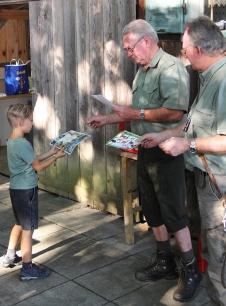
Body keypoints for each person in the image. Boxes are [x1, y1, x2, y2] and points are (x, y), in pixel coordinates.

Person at [87, 19, 201, 302]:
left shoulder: (171, 68)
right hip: (145, 148)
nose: (128, 54)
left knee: (174, 212)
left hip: (168, 150)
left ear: (146, 41)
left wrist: (133, 115)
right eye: (127, 49)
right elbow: (135, 111)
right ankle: (165, 262)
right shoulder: (143, 70)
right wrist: (109, 117)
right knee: (152, 209)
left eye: (129, 48)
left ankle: (191, 270)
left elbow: (175, 113)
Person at [139, 16, 226, 306]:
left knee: (220, 257)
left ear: (199, 50)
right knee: (210, 252)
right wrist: (162, 135)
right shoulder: (208, 76)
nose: (183, 54)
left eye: (185, 48)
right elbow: (190, 125)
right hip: (201, 177)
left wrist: (187, 144)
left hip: (220, 186)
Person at [0, 103, 66, 281]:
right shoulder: (23, 144)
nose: (32, 123)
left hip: (15, 189)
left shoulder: (12, 141)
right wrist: (56, 157)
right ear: (21, 121)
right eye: (30, 120)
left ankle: (10, 255)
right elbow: (38, 166)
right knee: (28, 230)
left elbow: (32, 159)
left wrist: (49, 152)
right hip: (26, 190)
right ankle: (27, 268)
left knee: (19, 224)